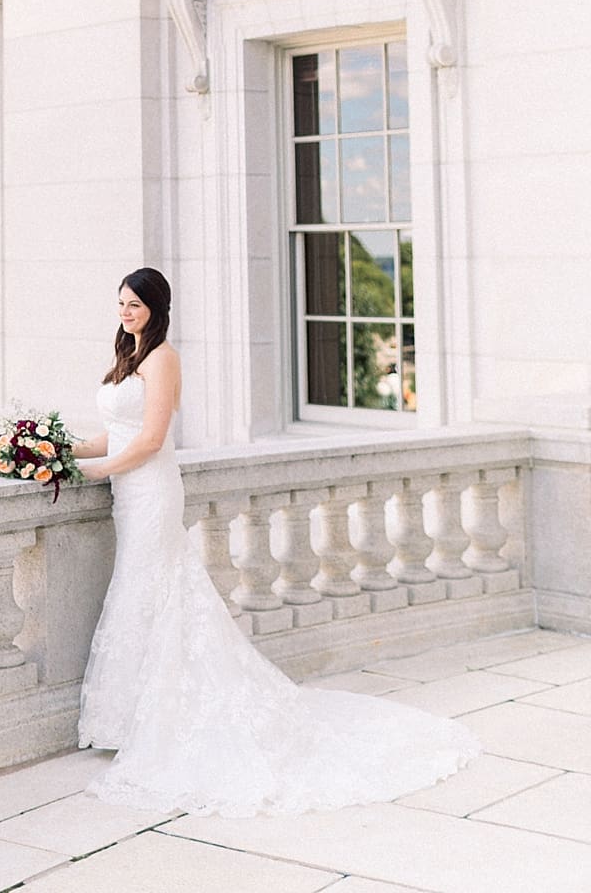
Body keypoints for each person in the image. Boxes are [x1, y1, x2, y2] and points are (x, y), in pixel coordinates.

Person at [72, 266, 479, 816]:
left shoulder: (163, 357)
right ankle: (129, 715)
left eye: (136, 306)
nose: (126, 312)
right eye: (121, 303)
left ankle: (162, 716)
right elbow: (116, 433)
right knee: (140, 593)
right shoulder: (128, 355)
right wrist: (60, 449)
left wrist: (99, 473)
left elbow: (150, 439)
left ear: (157, 309)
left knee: (154, 589)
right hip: (128, 491)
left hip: (150, 491)